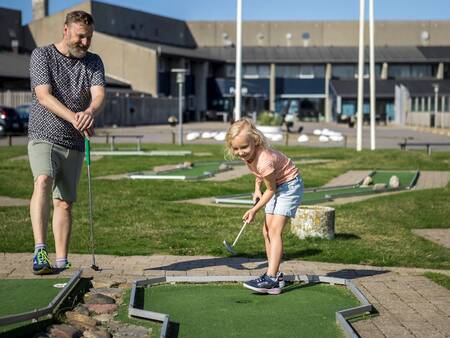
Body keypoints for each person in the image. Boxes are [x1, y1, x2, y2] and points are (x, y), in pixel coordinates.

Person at [28, 10, 105, 274]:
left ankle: (61, 262)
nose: (85, 43)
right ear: (66, 31)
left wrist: (89, 113)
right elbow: (43, 96)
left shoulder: (93, 62)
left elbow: (98, 95)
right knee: (43, 180)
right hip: (43, 135)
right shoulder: (42, 55)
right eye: (81, 37)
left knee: (64, 202)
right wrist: (75, 117)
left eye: (89, 37)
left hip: (73, 141)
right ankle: (40, 251)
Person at [225, 118, 303, 294]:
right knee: (266, 231)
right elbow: (259, 175)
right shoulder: (250, 156)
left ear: (256, 141)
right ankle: (274, 277)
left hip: (289, 185)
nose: (240, 152)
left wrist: (254, 209)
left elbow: (271, 189)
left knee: (275, 231)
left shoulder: (264, 159)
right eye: (235, 149)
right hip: (275, 185)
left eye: (244, 147)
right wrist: (256, 189)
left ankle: (271, 277)